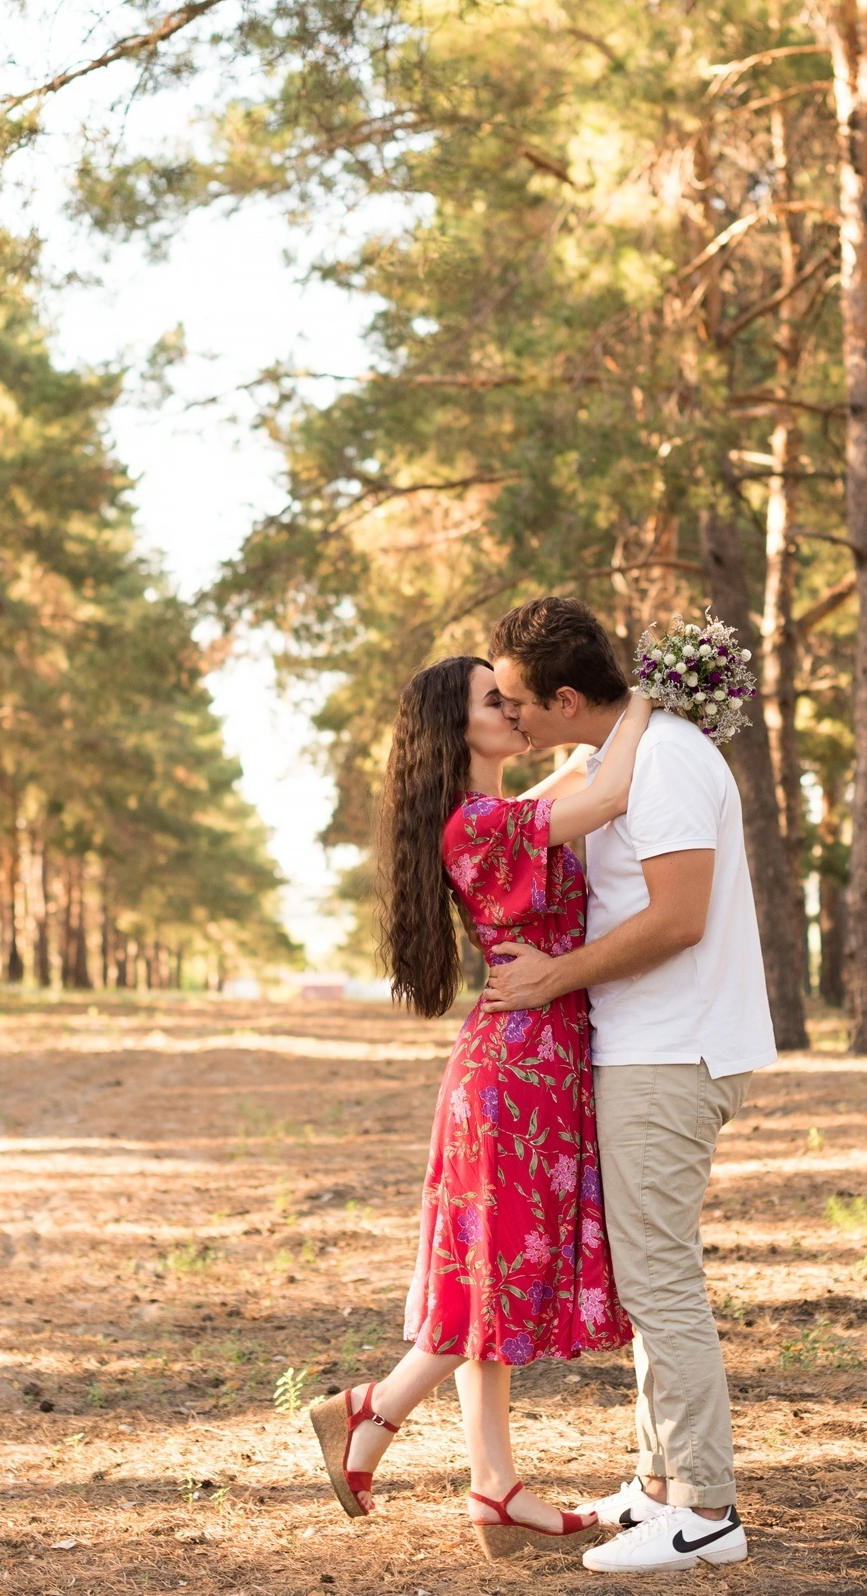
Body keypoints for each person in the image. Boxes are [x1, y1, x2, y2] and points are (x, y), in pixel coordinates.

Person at [307, 654, 655, 1560]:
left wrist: (593, 735)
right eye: (494, 700)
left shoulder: (499, 812)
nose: (515, 707)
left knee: (486, 1275)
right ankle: (372, 1410)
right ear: (454, 727)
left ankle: (495, 1487)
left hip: (530, 1066)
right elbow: (610, 791)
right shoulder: (479, 825)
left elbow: (577, 773)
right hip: (515, 1077)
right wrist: (647, 696)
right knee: (493, 1278)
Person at [481, 596, 777, 1574]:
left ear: (566, 700)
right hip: (644, 1049)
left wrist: (552, 978)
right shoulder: (625, 752)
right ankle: (660, 1487)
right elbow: (535, 820)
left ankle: (709, 1510)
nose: (511, 717)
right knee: (649, 1275)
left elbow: (680, 918)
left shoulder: (669, 760)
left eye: (519, 702)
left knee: (660, 1278)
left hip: (673, 1053)